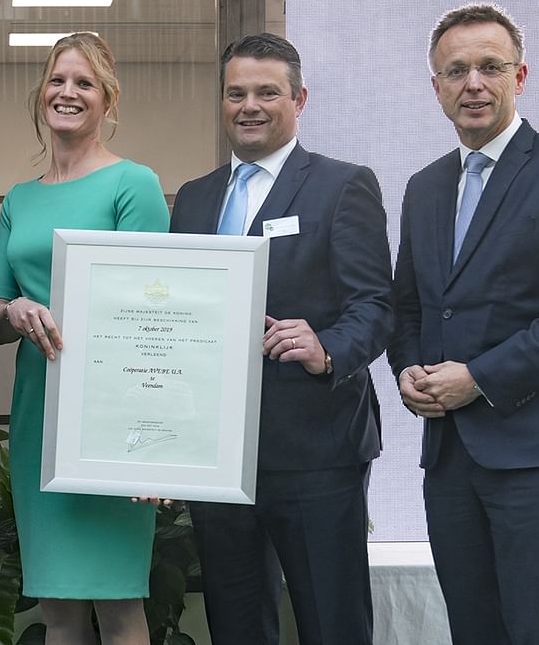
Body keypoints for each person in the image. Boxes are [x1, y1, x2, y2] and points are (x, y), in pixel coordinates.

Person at [388, 3, 539, 645]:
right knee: (475, 628)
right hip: (451, 453)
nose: (473, 83)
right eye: (455, 70)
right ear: (434, 86)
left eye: (490, 67)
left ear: (520, 77)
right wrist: (409, 370)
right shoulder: (424, 187)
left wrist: (479, 378)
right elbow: (408, 305)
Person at [169, 33, 392, 645]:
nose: (250, 106)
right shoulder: (193, 199)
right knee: (235, 623)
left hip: (316, 448)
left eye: (267, 92)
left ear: (299, 99)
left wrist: (327, 348)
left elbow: (376, 306)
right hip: (218, 458)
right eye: (236, 93)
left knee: (332, 620)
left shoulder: (344, 185)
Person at [0, 32, 169, 644]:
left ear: (106, 100)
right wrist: (16, 313)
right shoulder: (18, 197)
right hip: (40, 415)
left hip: (112, 414)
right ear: (42, 92)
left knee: (118, 603)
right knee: (58, 606)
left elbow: (154, 322)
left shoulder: (133, 184)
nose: (68, 92)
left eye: (84, 83)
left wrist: (149, 442)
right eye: (58, 80)